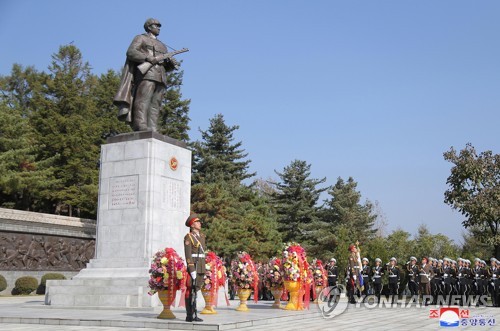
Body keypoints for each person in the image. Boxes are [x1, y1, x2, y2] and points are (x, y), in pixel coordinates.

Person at [114, 18, 177, 132]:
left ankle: (153, 127)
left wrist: (171, 64)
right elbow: (131, 52)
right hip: (147, 74)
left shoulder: (163, 45)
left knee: (156, 104)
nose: (158, 28)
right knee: (143, 100)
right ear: (149, 27)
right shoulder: (140, 38)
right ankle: (140, 124)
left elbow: (165, 65)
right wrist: (147, 57)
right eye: (156, 26)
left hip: (160, 76)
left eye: (159, 26)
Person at [184, 214, 206, 322]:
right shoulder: (188, 237)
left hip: (201, 266)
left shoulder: (202, 236)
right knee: (191, 290)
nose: (200, 223)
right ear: (192, 225)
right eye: (197, 222)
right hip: (194, 266)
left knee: (196, 290)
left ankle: (194, 313)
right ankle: (190, 315)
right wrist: (191, 269)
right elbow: (188, 255)